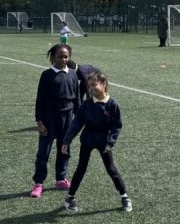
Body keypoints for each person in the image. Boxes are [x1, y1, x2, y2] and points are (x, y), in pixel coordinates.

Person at [61, 70, 131, 214]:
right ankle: (70, 197)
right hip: (87, 139)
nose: (91, 88)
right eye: (89, 86)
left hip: (104, 142)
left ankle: (124, 197)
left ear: (104, 84)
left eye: (94, 85)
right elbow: (76, 123)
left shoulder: (112, 104)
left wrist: (110, 143)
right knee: (81, 169)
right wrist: (67, 141)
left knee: (111, 169)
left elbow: (116, 126)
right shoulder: (86, 104)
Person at [30, 44, 79, 198]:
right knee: (43, 152)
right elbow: (40, 99)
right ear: (53, 58)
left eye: (66, 57)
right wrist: (39, 121)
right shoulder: (46, 75)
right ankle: (39, 183)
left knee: (64, 150)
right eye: (60, 56)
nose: (63, 59)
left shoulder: (73, 74)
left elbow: (77, 99)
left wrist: (80, 118)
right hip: (49, 118)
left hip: (67, 118)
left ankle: (61, 179)